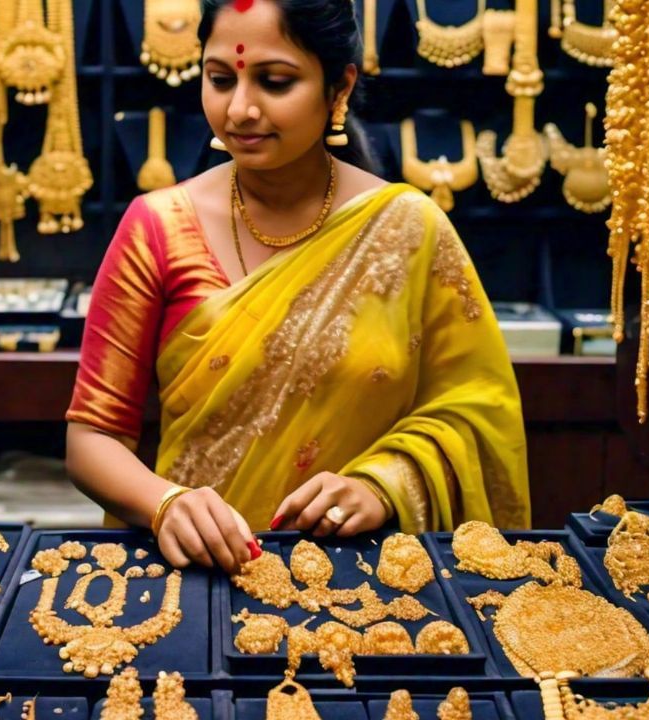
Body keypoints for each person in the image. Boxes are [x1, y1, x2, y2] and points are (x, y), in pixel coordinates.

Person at [66, 0, 528, 572]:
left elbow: (476, 415)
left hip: (362, 577)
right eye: (218, 80)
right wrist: (167, 503)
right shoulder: (156, 226)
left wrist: (383, 485)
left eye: (274, 82)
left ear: (339, 88)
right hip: (194, 573)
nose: (239, 109)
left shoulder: (408, 229)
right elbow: (92, 439)